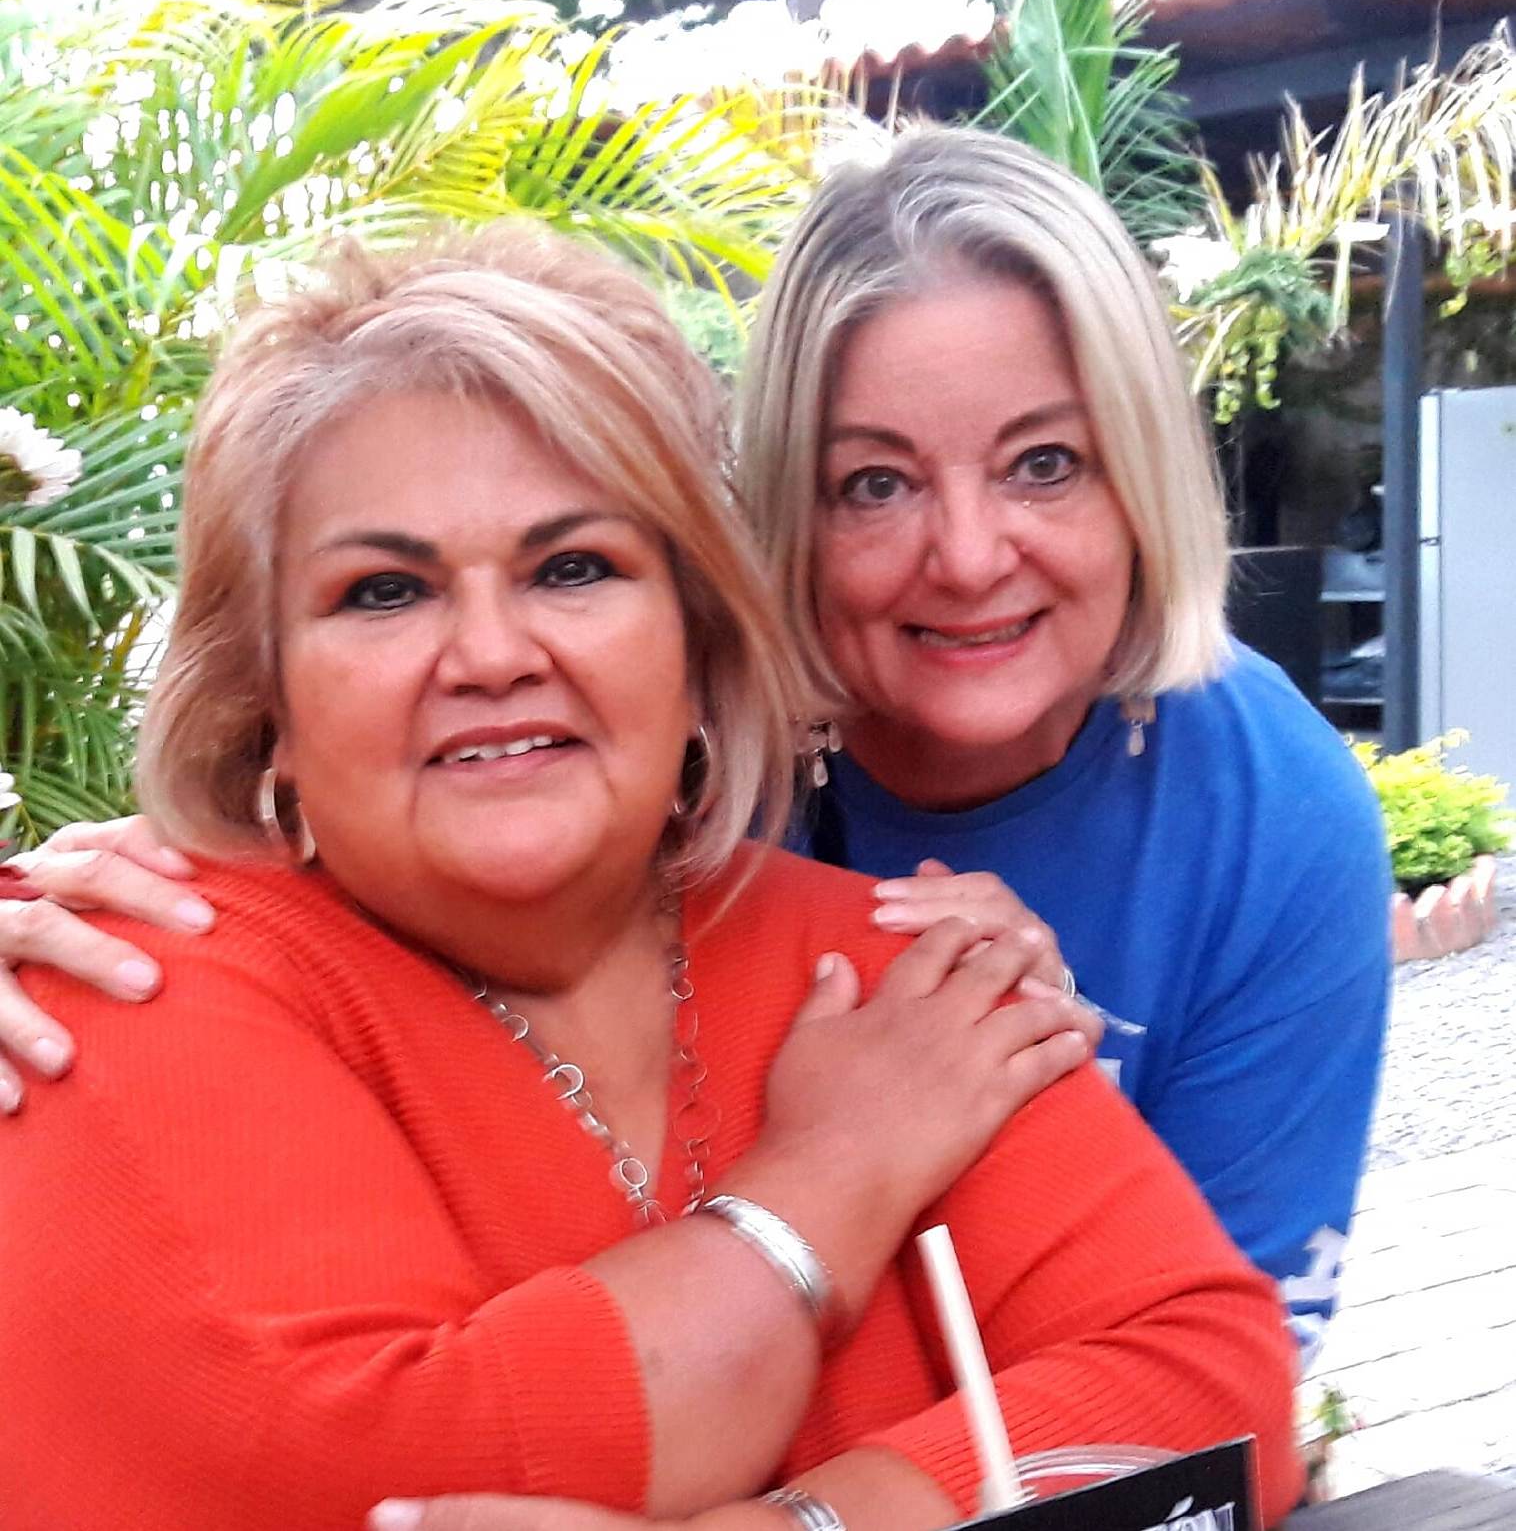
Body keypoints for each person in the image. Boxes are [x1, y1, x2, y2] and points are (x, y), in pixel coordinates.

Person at [0, 127, 1389, 1361]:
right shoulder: (624, 774)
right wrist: (104, 910)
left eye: (1046, 463)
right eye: (875, 483)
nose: (968, 555)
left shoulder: (1268, 809)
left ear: (1143, 478)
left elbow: (1215, 1363)